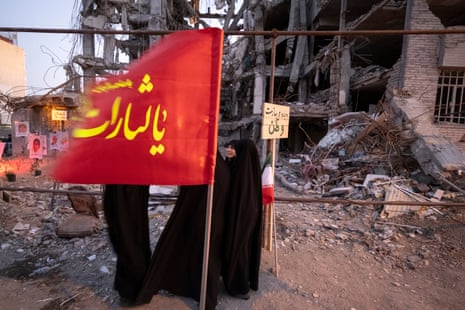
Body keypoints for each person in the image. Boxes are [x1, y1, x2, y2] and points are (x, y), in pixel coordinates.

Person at [136, 152, 230, 310]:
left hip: (202, 219)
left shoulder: (212, 168)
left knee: (199, 253)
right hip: (207, 219)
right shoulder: (217, 167)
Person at [222, 139, 263, 300]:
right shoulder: (246, 168)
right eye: (229, 147)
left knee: (239, 250)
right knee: (243, 249)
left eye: (234, 148)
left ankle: (240, 287)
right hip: (246, 215)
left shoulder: (242, 172)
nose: (230, 150)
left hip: (242, 217)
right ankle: (244, 282)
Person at [103, 184, 151, 305]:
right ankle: (137, 286)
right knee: (129, 231)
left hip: (126, 181)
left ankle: (135, 289)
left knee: (127, 232)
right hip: (128, 180)